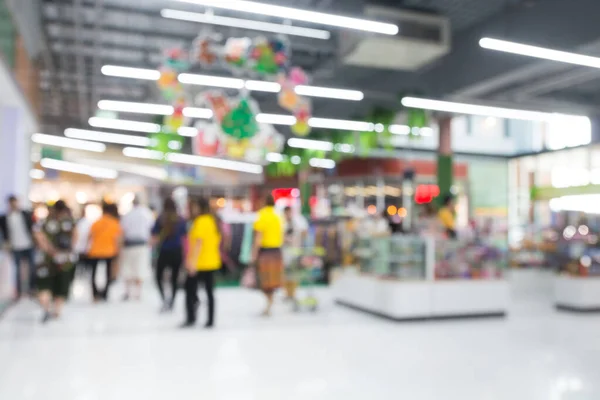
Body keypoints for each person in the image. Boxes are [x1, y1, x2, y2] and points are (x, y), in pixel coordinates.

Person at [33, 200, 77, 323]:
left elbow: (39, 237)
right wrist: (69, 250)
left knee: (44, 284)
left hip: (46, 260)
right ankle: (57, 311)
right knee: (61, 285)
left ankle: (46, 309)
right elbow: (75, 236)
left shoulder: (44, 222)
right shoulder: (69, 222)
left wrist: (50, 250)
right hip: (64, 259)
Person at [182, 197, 222, 328]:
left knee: (189, 290)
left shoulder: (200, 222)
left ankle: (191, 317)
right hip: (212, 261)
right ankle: (210, 320)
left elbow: (198, 243)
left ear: (199, 207)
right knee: (210, 292)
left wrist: (192, 263)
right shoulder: (213, 221)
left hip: (199, 263)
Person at [152, 197, 187, 312]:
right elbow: (185, 237)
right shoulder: (181, 219)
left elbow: (154, 236)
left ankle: (164, 299)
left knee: (158, 277)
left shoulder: (160, 219)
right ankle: (172, 301)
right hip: (177, 251)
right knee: (174, 278)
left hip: (164, 251)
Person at [252, 194, 284, 317]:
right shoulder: (278, 216)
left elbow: (258, 238)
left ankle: (269, 303)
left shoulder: (262, 215)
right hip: (277, 251)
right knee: (273, 281)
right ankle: (269, 304)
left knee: (263, 280)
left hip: (265, 252)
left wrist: (254, 253)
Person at [0, 195, 36, 299]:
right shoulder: (4, 218)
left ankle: (31, 289)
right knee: (18, 270)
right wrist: (5, 245)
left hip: (29, 245)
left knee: (32, 268)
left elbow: (33, 228)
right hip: (15, 247)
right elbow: (4, 234)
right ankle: (19, 291)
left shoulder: (25, 214)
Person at [120, 195, 155, 301]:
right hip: (141, 245)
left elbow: (123, 230)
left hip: (129, 244)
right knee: (140, 268)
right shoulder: (147, 214)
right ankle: (137, 293)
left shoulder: (128, 214)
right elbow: (151, 229)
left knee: (128, 268)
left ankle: (128, 292)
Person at [87, 202, 122, 302]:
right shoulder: (115, 223)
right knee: (108, 273)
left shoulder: (96, 222)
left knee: (93, 274)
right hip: (109, 251)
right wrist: (118, 252)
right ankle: (105, 293)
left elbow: (89, 237)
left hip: (95, 251)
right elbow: (118, 239)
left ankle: (95, 294)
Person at [282, 206, 308, 302]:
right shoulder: (282, 223)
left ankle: (293, 294)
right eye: (286, 213)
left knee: (294, 274)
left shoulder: (298, 221)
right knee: (285, 274)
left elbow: (305, 232)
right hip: (284, 253)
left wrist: (298, 240)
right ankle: (287, 294)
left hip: (295, 252)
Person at [73, 204, 93, 277]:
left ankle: (82, 273)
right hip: (84, 245)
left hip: (82, 245)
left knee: (82, 261)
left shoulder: (81, 222)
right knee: (83, 261)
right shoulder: (84, 222)